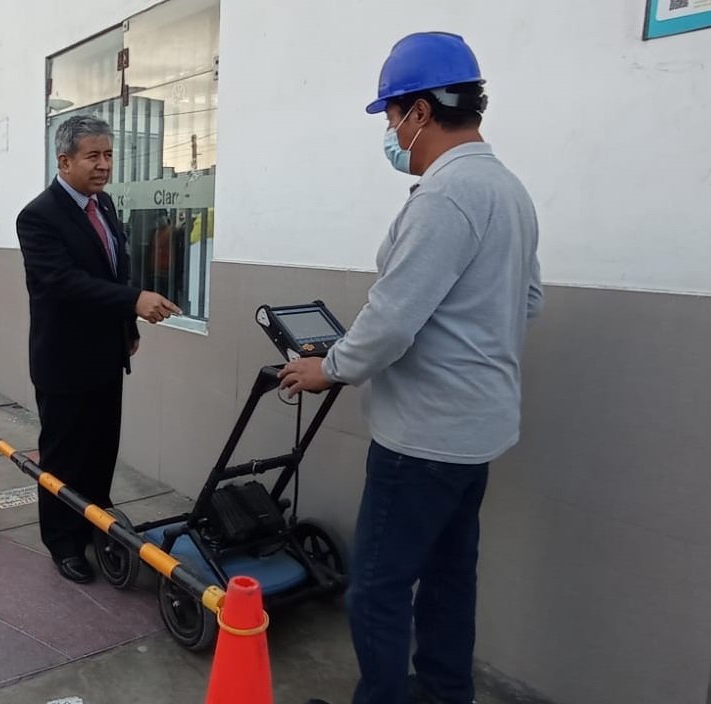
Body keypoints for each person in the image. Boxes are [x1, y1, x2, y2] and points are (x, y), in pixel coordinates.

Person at [280, 33, 543, 704]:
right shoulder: (508, 189)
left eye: (392, 114)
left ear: (421, 111)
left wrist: (330, 367)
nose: (391, 131)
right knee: (453, 576)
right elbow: (528, 300)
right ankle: (444, 693)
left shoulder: (445, 197)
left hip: (422, 440)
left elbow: (392, 320)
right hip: (477, 431)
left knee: (378, 588)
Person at [16, 114, 181, 584]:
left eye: (108, 155)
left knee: (102, 449)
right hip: (64, 362)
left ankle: (95, 521)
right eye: (93, 156)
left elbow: (113, 269)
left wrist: (127, 327)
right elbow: (64, 283)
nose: (104, 165)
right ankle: (63, 544)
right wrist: (134, 300)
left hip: (107, 356)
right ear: (64, 160)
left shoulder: (103, 205)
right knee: (64, 457)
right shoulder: (38, 216)